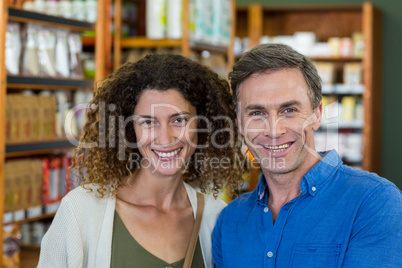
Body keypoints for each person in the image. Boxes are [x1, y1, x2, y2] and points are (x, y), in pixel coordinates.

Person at [38, 54, 243, 268]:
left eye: (179, 120)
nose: (165, 139)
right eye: (148, 122)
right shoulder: (81, 210)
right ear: (129, 129)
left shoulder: (216, 216)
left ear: (203, 125)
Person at [212, 43, 402, 267]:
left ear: (317, 114)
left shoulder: (374, 202)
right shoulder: (229, 221)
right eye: (257, 113)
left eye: (289, 110)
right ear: (240, 122)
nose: (274, 130)